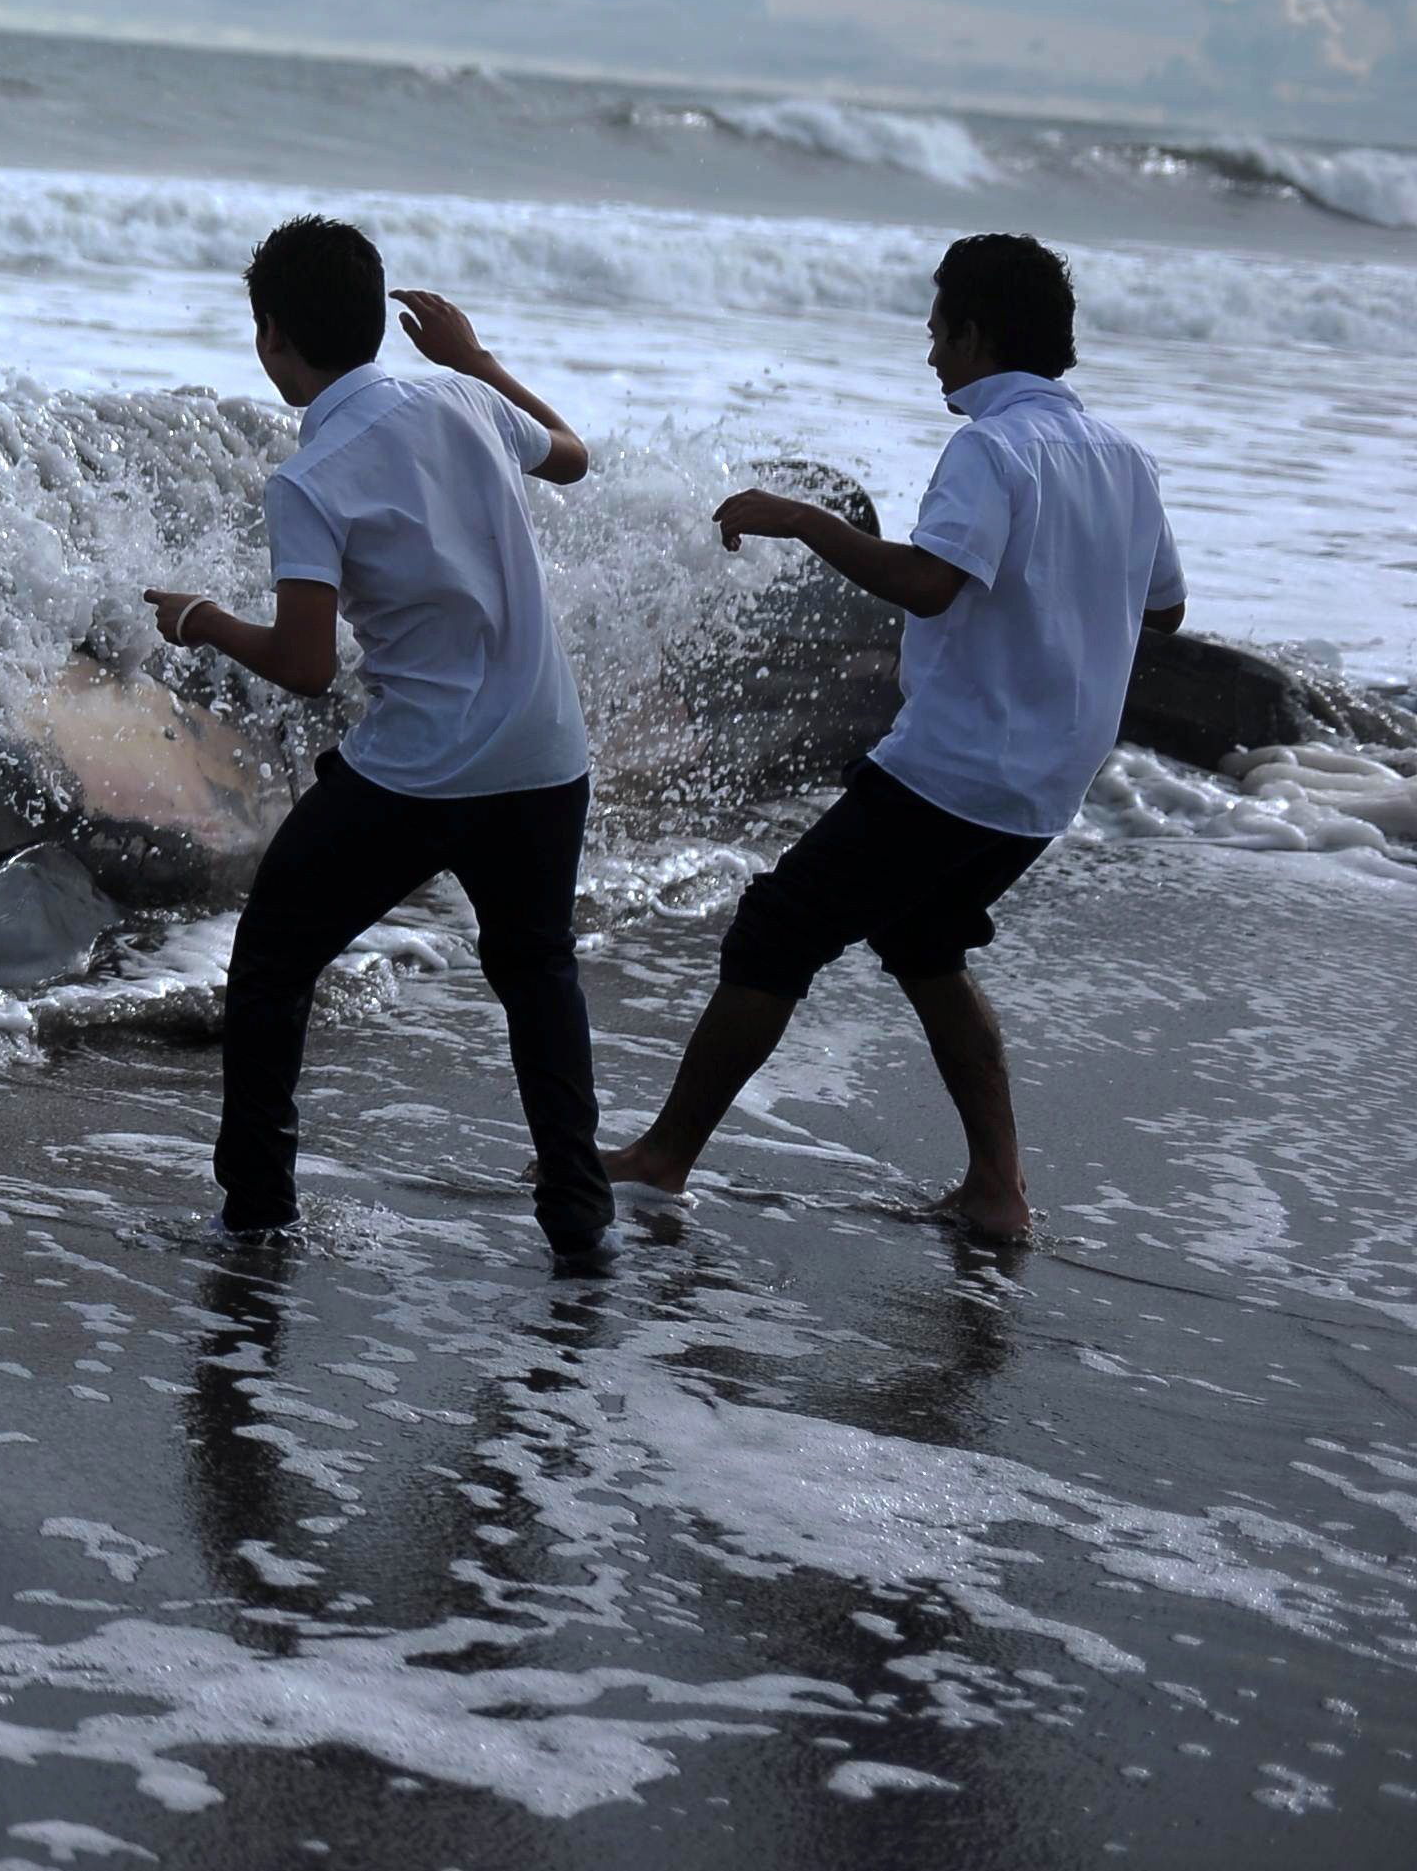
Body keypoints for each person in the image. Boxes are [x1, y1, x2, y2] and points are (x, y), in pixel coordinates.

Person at [603, 233, 1181, 1244]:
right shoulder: (1120, 458)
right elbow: (1162, 612)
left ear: (975, 333)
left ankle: (661, 1157)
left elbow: (925, 581)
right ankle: (995, 1192)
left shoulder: (990, 449)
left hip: (955, 766)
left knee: (773, 933)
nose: (928, 358)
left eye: (935, 333)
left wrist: (801, 520)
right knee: (922, 943)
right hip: (1047, 779)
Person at [143, 215, 614, 1272]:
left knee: (271, 961)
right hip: (545, 752)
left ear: (271, 340)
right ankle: (578, 1220)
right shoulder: (461, 398)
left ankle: (257, 1212)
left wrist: (201, 620)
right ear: (374, 320)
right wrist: (476, 358)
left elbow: (306, 667)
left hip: (419, 771)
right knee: (536, 973)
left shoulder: (306, 482)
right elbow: (574, 460)